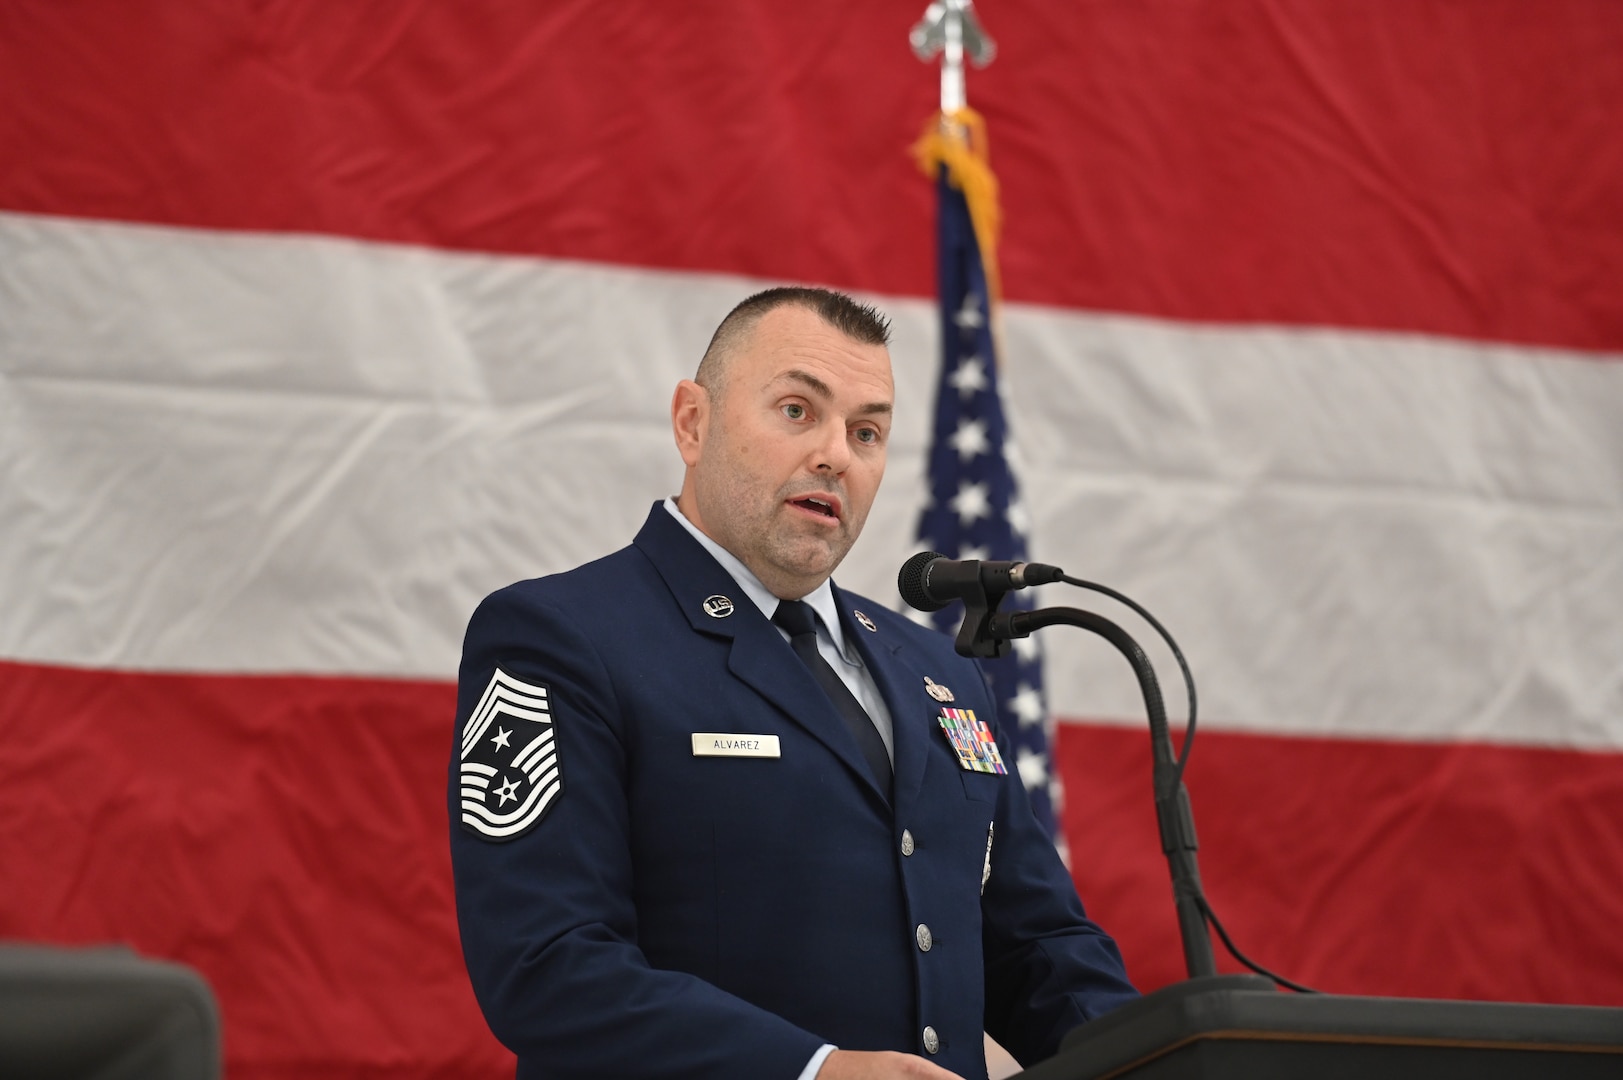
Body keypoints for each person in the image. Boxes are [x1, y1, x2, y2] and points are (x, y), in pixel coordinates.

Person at [449, 287, 1137, 1080]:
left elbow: (1036, 947)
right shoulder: (565, 637)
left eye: (867, 431)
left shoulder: (937, 673)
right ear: (692, 422)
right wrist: (813, 1071)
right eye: (796, 412)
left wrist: (1156, 1056)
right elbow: (544, 966)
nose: (835, 454)